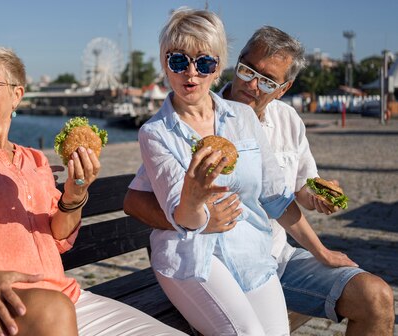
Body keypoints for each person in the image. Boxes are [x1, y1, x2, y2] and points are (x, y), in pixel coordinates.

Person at [125, 25, 395, 335]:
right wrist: (199, 218)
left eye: (267, 82)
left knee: (375, 297)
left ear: (283, 88)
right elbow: (138, 201)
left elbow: (290, 192)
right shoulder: (169, 129)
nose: (253, 85)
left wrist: (319, 214)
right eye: (247, 71)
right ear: (235, 64)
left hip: (274, 257)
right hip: (208, 260)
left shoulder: (285, 120)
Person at [0, 46, 186, 336]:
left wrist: (74, 195)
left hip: (60, 294)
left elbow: (60, 237)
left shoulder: (35, 159)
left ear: (17, 95)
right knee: (53, 311)